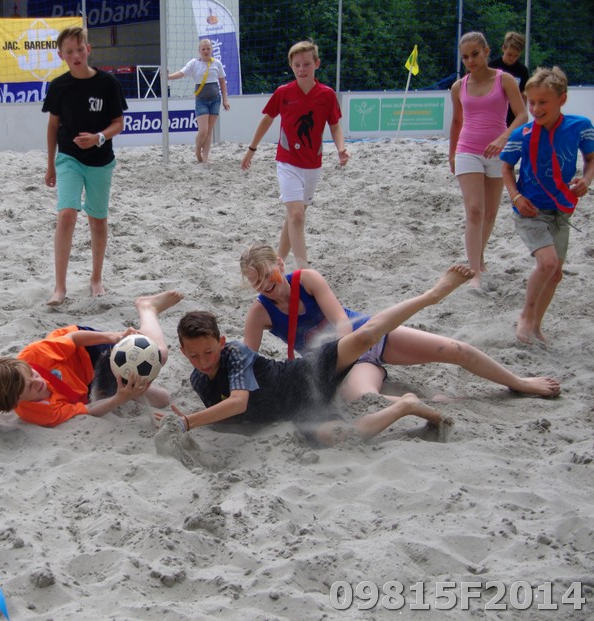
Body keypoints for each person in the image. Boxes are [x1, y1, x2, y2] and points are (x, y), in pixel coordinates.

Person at [158, 266, 478, 448]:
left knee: (364, 336)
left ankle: (431, 296)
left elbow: (238, 403)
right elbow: (229, 416)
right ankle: (407, 406)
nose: (203, 361)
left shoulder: (236, 354)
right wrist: (185, 417)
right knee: (346, 438)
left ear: (221, 342)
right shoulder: (199, 381)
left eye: (208, 352)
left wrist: (188, 421)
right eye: (194, 356)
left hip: (305, 374)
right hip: (300, 411)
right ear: (183, 352)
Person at [238, 244, 560, 401]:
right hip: (338, 365)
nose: (265, 285)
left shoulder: (307, 279)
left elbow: (342, 323)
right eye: (257, 283)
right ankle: (432, 403)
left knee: (454, 349)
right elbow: (247, 362)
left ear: (280, 263)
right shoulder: (260, 313)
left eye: (268, 276)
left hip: (368, 335)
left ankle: (518, 382)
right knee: (366, 400)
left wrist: (350, 347)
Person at [0, 291, 182, 427]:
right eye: (30, 387)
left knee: (159, 355)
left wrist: (114, 337)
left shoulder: (35, 355)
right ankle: (127, 385)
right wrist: (120, 398)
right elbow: (88, 409)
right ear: (16, 401)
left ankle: (147, 308)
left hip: (86, 351)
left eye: (32, 374)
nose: (37, 381)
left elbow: (73, 338)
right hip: (83, 384)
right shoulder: (38, 413)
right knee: (162, 399)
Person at [501, 66, 594, 344]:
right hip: (530, 210)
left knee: (555, 274)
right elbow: (506, 168)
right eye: (531, 102)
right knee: (548, 263)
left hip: (561, 211)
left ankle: (536, 325)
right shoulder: (522, 134)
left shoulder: (581, 126)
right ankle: (525, 316)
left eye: (543, 102)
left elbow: (591, 160)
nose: (535, 108)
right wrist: (516, 197)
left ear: (562, 99)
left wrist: (586, 179)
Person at [240, 40, 349, 270]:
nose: (302, 69)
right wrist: (251, 149)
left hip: (313, 165)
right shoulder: (284, 92)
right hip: (287, 162)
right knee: (297, 215)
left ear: (317, 64)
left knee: (294, 217)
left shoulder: (327, 95)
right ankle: (303, 270)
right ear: (291, 66)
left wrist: (341, 148)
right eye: (297, 65)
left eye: (306, 64)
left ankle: (277, 263)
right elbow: (267, 119)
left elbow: (335, 126)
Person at [42, 26, 128, 306]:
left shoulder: (107, 83)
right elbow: (52, 126)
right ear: (61, 56)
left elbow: (119, 123)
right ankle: (60, 287)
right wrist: (50, 165)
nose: (76, 55)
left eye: (80, 49)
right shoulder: (59, 86)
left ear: (88, 50)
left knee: (98, 220)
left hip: (101, 160)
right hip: (68, 157)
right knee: (66, 214)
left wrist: (98, 137)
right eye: (69, 52)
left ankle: (96, 279)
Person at [450, 32, 527, 288]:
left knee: (491, 212)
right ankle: (474, 272)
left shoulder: (505, 79)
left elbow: (522, 115)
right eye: (465, 57)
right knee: (475, 210)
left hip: (497, 152)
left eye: (475, 54)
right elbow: (457, 121)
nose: (470, 60)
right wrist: (452, 153)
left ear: (487, 51)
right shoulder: (458, 86)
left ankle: (478, 256)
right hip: (467, 150)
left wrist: (503, 138)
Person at [167, 38, 230, 163]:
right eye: (203, 49)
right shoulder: (194, 63)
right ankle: (197, 150)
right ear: (199, 51)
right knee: (203, 131)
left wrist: (225, 100)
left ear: (211, 50)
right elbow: (182, 73)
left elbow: (222, 82)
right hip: (201, 100)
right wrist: (168, 77)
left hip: (215, 100)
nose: (206, 51)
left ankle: (205, 157)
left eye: (208, 48)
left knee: (209, 130)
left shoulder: (217, 63)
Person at [488, 32, 530, 127]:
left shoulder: (523, 71)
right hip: (493, 116)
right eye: (509, 54)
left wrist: (522, 119)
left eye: (516, 56)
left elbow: (523, 96)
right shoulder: (492, 66)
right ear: (503, 48)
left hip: (512, 119)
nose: (512, 58)